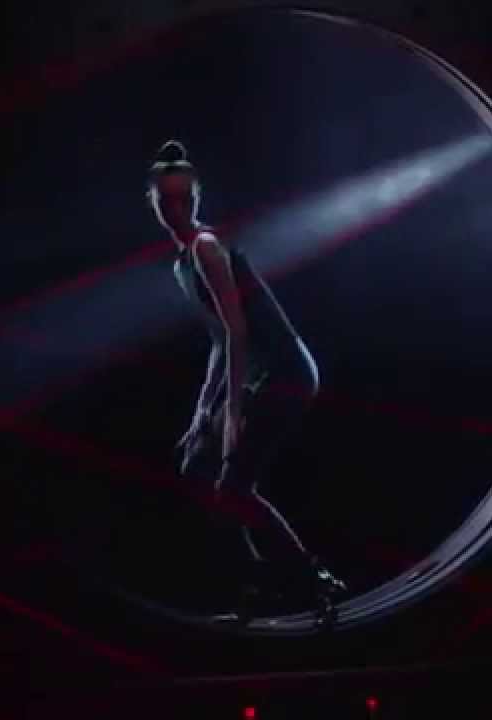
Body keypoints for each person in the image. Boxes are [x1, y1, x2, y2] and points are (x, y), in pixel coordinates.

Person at [146, 139, 346, 626]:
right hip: (257, 373)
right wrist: (202, 413)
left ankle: (311, 580)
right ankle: (256, 579)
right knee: (196, 465)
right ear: (153, 200)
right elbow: (221, 339)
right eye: (165, 199)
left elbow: (238, 331)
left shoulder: (207, 248)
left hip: (285, 371)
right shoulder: (182, 263)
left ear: (195, 199)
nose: (174, 208)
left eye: (182, 199)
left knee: (234, 485)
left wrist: (232, 414)